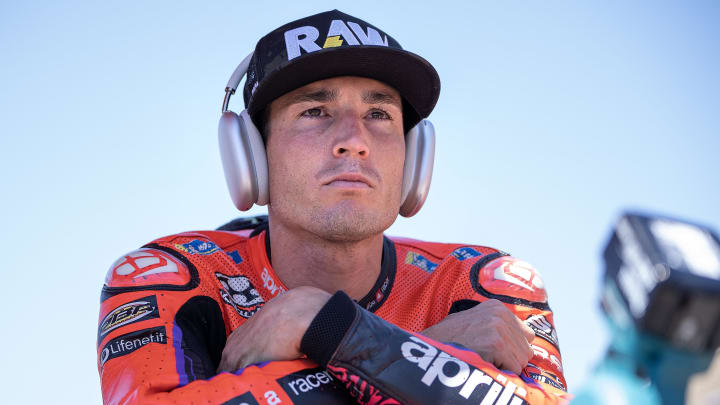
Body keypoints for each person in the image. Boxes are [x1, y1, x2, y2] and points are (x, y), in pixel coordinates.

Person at [97, 10, 569, 404]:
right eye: (315, 111)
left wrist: (320, 325)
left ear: (414, 158)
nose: (353, 141)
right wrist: (431, 353)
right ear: (250, 156)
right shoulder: (167, 275)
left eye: (379, 114)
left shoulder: (485, 280)